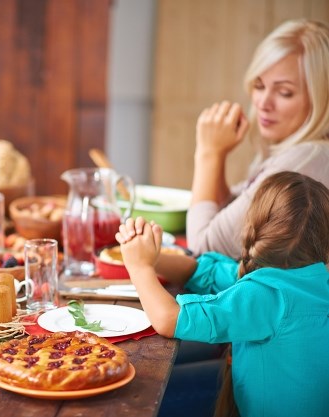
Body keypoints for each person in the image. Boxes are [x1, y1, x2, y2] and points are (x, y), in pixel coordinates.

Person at [117, 171, 329, 416]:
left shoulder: (267, 295)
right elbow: (206, 272)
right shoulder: (312, 283)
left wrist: (139, 267)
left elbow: (169, 320)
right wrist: (152, 257)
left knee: (140, 393)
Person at [187, 19, 329, 258]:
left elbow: (204, 250)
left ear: (322, 98)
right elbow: (231, 215)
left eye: (285, 92)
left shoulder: (306, 160)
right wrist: (218, 155)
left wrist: (207, 154)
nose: (263, 103)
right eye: (259, 85)